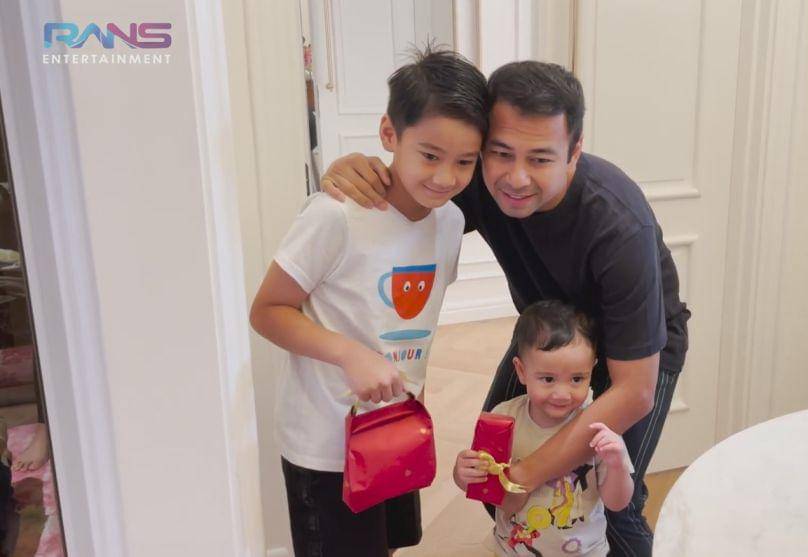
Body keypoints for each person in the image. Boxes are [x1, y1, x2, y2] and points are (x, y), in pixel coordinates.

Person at [323, 59, 690, 556]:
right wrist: (355, 172)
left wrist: (529, 473)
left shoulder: (619, 225)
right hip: (545, 336)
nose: (516, 178)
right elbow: (406, 201)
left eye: (540, 158)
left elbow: (635, 391)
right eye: (500, 153)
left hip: (634, 354)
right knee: (490, 469)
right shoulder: (477, 180)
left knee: (608, 504)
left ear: (574, 151)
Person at [249, 48, 488, 557]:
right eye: (429, 155)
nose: (446, 177)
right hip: (328, 447)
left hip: (395, 428)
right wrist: (349, 354)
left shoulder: (450, 222)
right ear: (388, 134)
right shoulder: (336, 215)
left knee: (386, 544)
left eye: (464, 162)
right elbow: (267, 311)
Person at [454, 301, 634, 557]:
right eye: (548, 379)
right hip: (513, 551)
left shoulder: (597, 424)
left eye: (577, 379)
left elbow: (617, 502)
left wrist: (617, 465)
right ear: (521, 371)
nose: (562, 393)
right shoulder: (503, 418)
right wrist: (463, 473)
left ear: (591, 370)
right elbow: (482, 483)